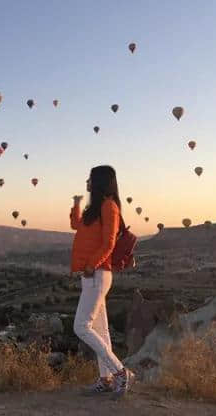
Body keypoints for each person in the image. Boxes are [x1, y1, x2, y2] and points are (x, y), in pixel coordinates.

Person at [70, 165, 135, 397]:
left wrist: (91, 265)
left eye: (90, 179)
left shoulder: (109, 206)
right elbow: (75, 225)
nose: (86, 182)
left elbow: (109, 243)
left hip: (97, 273)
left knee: (80, 326)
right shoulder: (95, 208)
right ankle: (105, 379)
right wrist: (76, 204)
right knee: (100, 329)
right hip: (91, 275)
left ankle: (120, 372)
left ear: (99, 182)